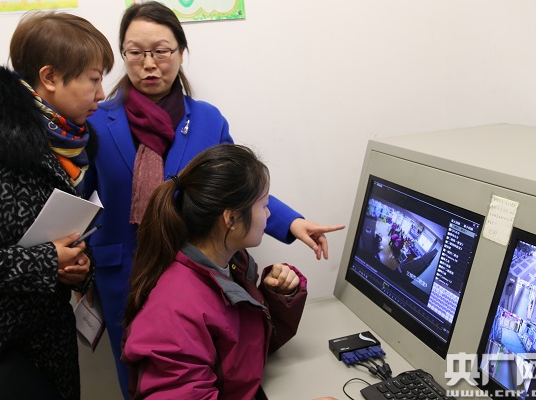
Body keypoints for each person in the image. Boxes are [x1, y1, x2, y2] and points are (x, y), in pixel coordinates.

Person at [85, 1, 345, 394]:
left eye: (161, 51)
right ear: (123, 54)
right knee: (137, 374)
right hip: (124, 269)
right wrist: (67, 255)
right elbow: (75, 198)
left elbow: (238, 186)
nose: (149, 64)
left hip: (195, 268)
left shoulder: (207, 119)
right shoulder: (96, 121)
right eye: (135, 53)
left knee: (214, 370)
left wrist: (292, 222)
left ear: (181, 52)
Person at [0, 11, 114, 400]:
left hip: (50, 349)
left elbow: (61, 235)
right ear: (50, 77)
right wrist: (46, 262)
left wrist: (78, 266)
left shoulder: (71, 144)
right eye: (94, 79)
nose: (102, 94)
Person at [122, 143, 319, 399]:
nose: (269, 214)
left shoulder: (232, 265)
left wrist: (279, 295)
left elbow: (244, 348)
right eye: (264, 205)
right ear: (231, 219)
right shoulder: (175, 311)